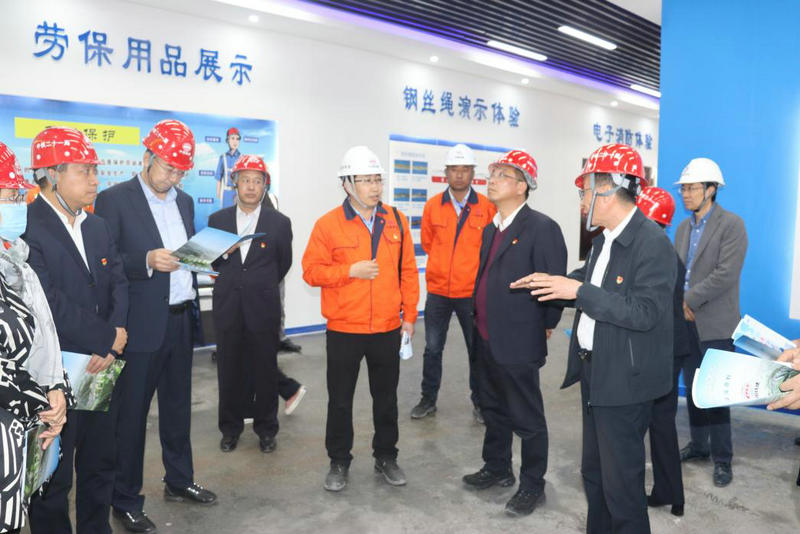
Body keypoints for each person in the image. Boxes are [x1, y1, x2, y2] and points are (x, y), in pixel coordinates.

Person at [516, 144, 675, 533]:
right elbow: (593, 280)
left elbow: (644, 312)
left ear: (608, 189)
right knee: (596, 474)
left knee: (622, 487)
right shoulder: (606, 238)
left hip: (626, 380)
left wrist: (578, 291)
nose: (582, 201)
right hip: (596, 371)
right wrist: (557, 282)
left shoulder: (652, 243)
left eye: (585, 191)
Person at [94, 120, 217, 534]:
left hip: (180, 320)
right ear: (147, 157)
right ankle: (125, 499)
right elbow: (105, 263)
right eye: (168, 167)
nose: (173, 177)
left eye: (181, 171)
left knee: (178, 409)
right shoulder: (114, 199)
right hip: (140, 327)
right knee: (131, 417)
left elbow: (184, 254)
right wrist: (146, 260)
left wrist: (203, 260)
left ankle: (179, 479)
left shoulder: (185, 202)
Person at [23, 128, 128, 534]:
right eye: (84, 171)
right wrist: (105, 339)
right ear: (52, 174)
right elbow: (48, 303)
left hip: (101, 366)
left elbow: (119, 281)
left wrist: (115, 339)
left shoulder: (97, 225)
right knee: (53, 476)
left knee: (100, 460)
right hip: (54, 372)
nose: (95, 180)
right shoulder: (27, 228)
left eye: (94, 171)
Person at [302, 145, 418, 492]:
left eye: (377, 179)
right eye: (366, 180)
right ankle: (339, 461)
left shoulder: (396, 220)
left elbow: (408, 272)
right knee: (340, 401)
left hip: (386, 327)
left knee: (387, 399)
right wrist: (348, 271)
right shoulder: (327, 225)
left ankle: (386, 456)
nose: (375, 187)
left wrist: (410, 316)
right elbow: (311, 272)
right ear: (347, 184)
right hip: (344, 330)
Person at [461, 150, 567, 517]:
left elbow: (554, 283)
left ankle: (532, 484)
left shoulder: (541, 228)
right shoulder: (491, 228)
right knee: (492, 407)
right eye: (492, 174)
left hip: (519, 339)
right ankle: (497, 467)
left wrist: (546, 325)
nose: (491, 181)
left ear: (522, 186)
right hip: (485, 335)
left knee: (527, 417)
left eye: (502, 175)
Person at [0, 142, 69, 534]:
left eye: (17, 196)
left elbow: (45, 334)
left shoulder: (18, 262)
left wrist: (56, 388)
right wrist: (40, 399)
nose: (18, 205)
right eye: (9, 196)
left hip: (17, 430)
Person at [209, 155, 292, 454]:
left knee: (265, 371)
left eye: (258, 181)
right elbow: (211, 261)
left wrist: (259, 285)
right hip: (228, 307)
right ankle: (230, 429)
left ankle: (266, 430)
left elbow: (283, 264)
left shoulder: (279, 223)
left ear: (265, 185)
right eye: (245, 180)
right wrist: (225, 252)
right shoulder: (217, 221)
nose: (251, 187)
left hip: (263, 307)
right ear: (235, 182)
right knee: (229, 370)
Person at [674, 157, 747, 488]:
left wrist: (688, 300)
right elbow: (676, 272)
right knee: (694, 389)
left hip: (716, 323)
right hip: (686, 322)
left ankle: (722, 458)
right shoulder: (683, 228)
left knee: (716, 394)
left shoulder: (732, 225)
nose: (685, 194)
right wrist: (680, 302)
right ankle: (699, 445)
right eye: (683, 189)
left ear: (711, 189)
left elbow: (725, 274)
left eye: (692, 188)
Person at [410, 143, 496, 422]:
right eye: (454, 169)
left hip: (471, 293)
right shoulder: (433, 206)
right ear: (446, 173)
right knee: (432, 348)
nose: (459, 175)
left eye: (465, 169)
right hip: (438, 292)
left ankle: (481, 403)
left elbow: (490, 249)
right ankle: (428, 400)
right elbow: (428, 242)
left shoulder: (487, 208)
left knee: (476, 350)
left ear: (473, 173)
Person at [636, 186, 688, 517]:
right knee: (661, 422)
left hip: (664, 349)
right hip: (671, 346)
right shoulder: (663, 248)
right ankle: (671, 494)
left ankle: (667, 492)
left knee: (650, 421)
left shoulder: (655, 252)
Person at [260, 173, 301, 354]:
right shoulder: (240, 201)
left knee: (278, 304)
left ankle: (279, 338)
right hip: (251, 266)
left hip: (274, 263)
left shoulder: (273, 198)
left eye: (260, 181)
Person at [216, 127, 241, 208]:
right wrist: (218, 194)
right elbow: (219, 178)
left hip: (239, 193)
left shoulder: (242, 158)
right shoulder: (223, 157)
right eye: (232, 138)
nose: (235, 141)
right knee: (225, 214)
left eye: (237, 139)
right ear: (228, 140)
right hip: (226, 193)